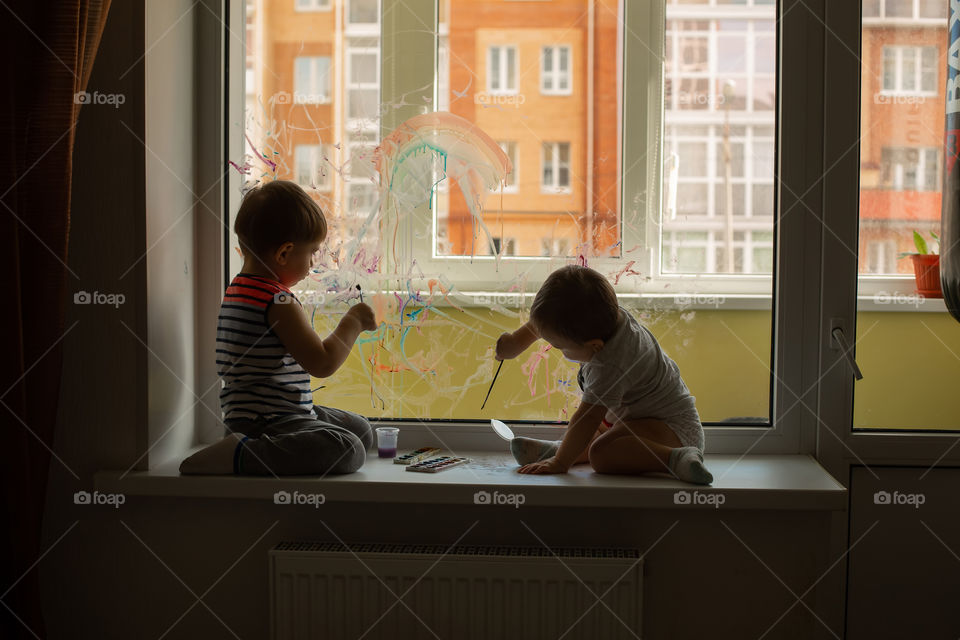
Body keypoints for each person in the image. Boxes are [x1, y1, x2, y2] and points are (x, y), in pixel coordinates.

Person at [180, 180, 377, 475]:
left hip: (256, 415)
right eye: (311, 252)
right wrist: (354, 322)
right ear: (284, 254)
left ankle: (243, 445)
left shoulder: (240, 288)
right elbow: (321, 363)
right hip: (268, 421)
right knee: (348, 448)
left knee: (361, 430)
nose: (312, 263)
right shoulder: (278, 299)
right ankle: (242, 454)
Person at [494, 265, 713, 484]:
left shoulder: (610, 363)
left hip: (674, 433)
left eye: (559, 346)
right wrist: (513, 344)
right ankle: (559, 451)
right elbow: (547, 320)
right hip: (635, 422)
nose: (556, 349)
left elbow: (586, 417)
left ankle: (676, 459)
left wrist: (560, 464)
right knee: (598, 430)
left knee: (601, 454)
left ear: (594, 346)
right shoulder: (604, 316)